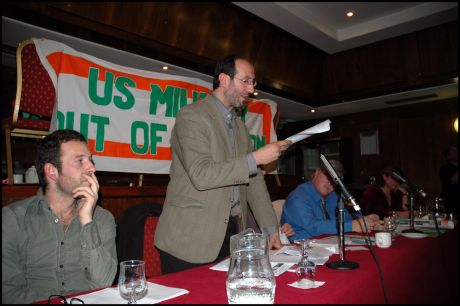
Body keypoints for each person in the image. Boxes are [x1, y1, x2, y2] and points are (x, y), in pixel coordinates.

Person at [154, 55, 292, 274]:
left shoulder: (240, 128)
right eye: (245, 81)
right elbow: (201, 174)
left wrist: (270, 228)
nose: (251, 89)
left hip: (231, 236)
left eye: (253, 83)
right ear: (224, 80)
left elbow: (254, 183)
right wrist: (255, 158)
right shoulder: (192, 116)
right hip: (189, 240)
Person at [2, 129, 117, 304]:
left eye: (90, 160)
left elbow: (104, 283)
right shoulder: (12, 219)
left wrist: (87, 221)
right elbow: (8, 292)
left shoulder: (102, 219)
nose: (92, 167)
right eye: (80, 161)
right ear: (52, 171)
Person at [280, 160, 380, 241]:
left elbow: (347, 219)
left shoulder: (333, 196)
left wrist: (365, 221)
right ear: (315, 173)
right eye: (328, 176)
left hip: (327, 244)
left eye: (335, 179)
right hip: (300, 250)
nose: (330, 182)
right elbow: (314, 227)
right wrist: (353, 225)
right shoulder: (298, 197)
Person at [439, 146, 458, 216]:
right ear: (448, 157)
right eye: (455, 152)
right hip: (451, 202)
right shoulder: (445, 169)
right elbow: (455, 179)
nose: (457, 153)